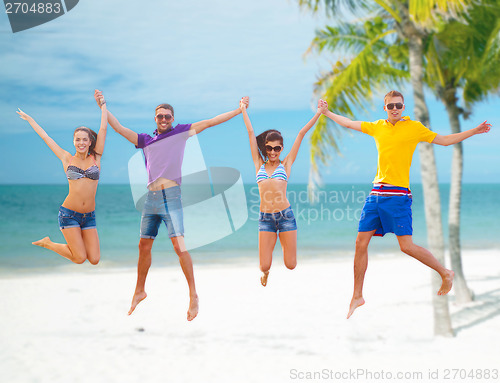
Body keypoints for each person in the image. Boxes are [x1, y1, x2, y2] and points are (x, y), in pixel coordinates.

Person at [322, 90, 492, 319]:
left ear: (404, 107)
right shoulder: (377, 126)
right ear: (385, 108)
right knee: (360, 242)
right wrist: (327, 112)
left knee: (406, 247)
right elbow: (350, 124)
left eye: (398, 105)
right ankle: (357, 295)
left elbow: (443, 140)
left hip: (398, 196)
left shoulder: (414, 128)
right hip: (375, 194)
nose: (394, 109)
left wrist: (474, 131)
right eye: (390, 105)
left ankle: (445, 273)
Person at [95, 90, 249, 321]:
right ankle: (139, 290)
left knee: (179, 247)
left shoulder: (180, 133)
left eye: (168, 116)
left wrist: (239, 110)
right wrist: (102, 106)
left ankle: (193, 295)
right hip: (151, 199)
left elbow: (210, 122)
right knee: (143, 246)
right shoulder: (145, 140)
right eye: (160, 116)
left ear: (173, 119)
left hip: (172, 197)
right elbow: (118, 127)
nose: (164, 119)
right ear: (155, 119)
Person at [240, 98, 328, 286]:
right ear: (265, 148)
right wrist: (243, 109)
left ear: (281, 148)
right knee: (263, 265)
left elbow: (301, 133)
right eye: (269, 148)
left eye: (277, 148)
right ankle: (267, 270)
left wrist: (319, 112)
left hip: (285, 216)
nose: (273, 152)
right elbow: (250, 132)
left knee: (291, 265)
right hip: (265, 218)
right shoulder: (258, 164)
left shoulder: (285, 164)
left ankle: (284, 241)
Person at [17, 90, 108, 264]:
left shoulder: (96, 157)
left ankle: (73, 245)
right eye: (77, 139)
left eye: (84, 140)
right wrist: (30, 120)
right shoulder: (67, 158)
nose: (81, 143)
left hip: (89, 215)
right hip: (69, 214)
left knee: (95, 259)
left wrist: (103, 105)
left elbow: (103, 128)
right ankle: (48, 243)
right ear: (74, 141)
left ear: (90, 142)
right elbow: (45, 137)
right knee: (80, 258)